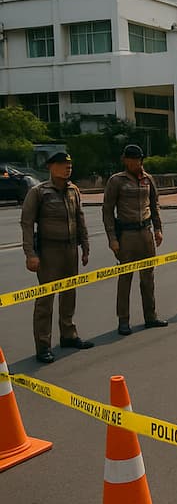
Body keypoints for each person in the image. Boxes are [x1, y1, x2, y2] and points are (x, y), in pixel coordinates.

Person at [19, 152, 93, 363]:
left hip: (70, 250)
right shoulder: (39, 192)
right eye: (62, 164)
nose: (68, 168)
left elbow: (80, 220)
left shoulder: (73, 190)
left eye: (69, 164)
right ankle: (43, 345)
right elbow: (27, 223)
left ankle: (68, 334)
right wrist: (30, 254)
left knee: (69, 295)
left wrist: (85, 247)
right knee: (46, 299)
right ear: (51, 167)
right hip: (49, 251)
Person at [103, 144, 168, 335]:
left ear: (141, 160)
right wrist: (112, 238)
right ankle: (123, 320)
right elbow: (107, 211)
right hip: (127, 234)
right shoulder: (117, 181)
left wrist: (158, 229)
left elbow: (154, 205)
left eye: (137, 159)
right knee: (125, 279)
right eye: (130, 159)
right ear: (124, 160)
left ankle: (151, 316)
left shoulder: (148, 179)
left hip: (145, 232)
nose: (134, 163)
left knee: (148, 278)